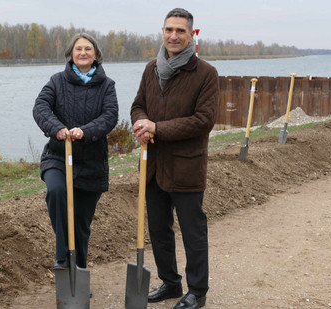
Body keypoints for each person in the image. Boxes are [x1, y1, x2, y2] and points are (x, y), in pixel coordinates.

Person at [130, 8, 219, 309]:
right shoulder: (151, 68)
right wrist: (141, 123)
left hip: (187, 166)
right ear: (163, 32)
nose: (173, 36)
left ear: (191, 34)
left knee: (193, 231)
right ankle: (170, 282)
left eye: (180, 30)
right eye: (169, 30)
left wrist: (158, 128)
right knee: (158, 229)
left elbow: (203, 120)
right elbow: (137, 105)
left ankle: (197, 291)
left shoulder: (206, 73)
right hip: (153, 165)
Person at [33, 33, 119, 272]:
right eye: (78, 49)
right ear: (71, 53)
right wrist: (57, 128)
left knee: (81, 224)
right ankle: (62, 257)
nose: (83, 53)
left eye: (88, 49)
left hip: (91, 163)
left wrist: (85, 131)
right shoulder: (57, 81)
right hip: (58, 156)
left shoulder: (107, 85)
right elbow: (40, 107)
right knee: (56, 191)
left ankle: (78, 272)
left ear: (96, 55)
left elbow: (110, 116)